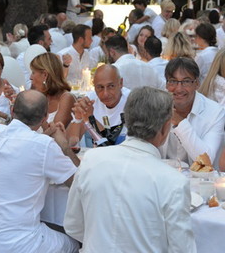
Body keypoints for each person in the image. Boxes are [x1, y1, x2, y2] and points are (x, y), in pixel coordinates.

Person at [64, 86, 196, 253]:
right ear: (165, 128)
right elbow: (182, 249)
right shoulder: (174, 182)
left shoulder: (91, 160)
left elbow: (73, 226)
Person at [0, 90, 80, 253]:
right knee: (76, 243)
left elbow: (24, 147)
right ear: (45, 118)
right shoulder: (44, 146)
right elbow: (79, 183)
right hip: (16, 243)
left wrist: (47, 139)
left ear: (12, 111)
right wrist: (63, 147)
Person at [160, 57, 225, 166]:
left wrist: (180, 123)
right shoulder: (156, 106)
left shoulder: (215, 112)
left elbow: (206, 161)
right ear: (166, 84)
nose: (179, 89)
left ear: (197, 84)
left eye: (186, 81)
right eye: (173, 81)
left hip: (201, 181)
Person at [67, 64, 129, 143]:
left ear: (120, 83)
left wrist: (90, 119)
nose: (105, 93)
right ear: (94, 86)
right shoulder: (90, 100)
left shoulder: (133, 102)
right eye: (100, 87)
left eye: (111, 86)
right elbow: (72, 142)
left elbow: (111, 144)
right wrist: (78, 118)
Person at [30, 52, 75, 128]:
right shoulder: (38, 94)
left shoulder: (66, 98)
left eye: (33, 72)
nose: (30, 77)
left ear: (45, 75)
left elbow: (55, 134)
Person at [16, 24, 52, 89]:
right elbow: (26, 85)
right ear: (41, 43)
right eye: (49, 39)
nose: (51, 42)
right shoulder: (22, 59)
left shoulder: (50, 57)